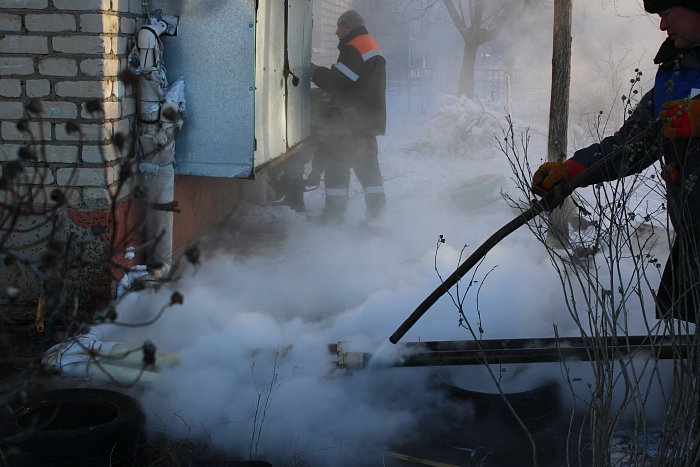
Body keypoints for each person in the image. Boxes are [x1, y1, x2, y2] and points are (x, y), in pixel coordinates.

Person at [532, 0, 700, 325]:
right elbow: (633, 145)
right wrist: (573, 171)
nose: (662, 26)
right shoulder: (677, 77)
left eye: (666, 14)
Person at [309, 10, 387, 225]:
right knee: (370, 174)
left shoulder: (354, 48)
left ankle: (333, 219)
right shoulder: (370, 46)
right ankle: (377, 220)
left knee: (336, 169)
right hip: (367, 123)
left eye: (339, 27)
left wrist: (315, 71)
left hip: (348, 124)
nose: (336, 32)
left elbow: (338, 82)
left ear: (348, 26)